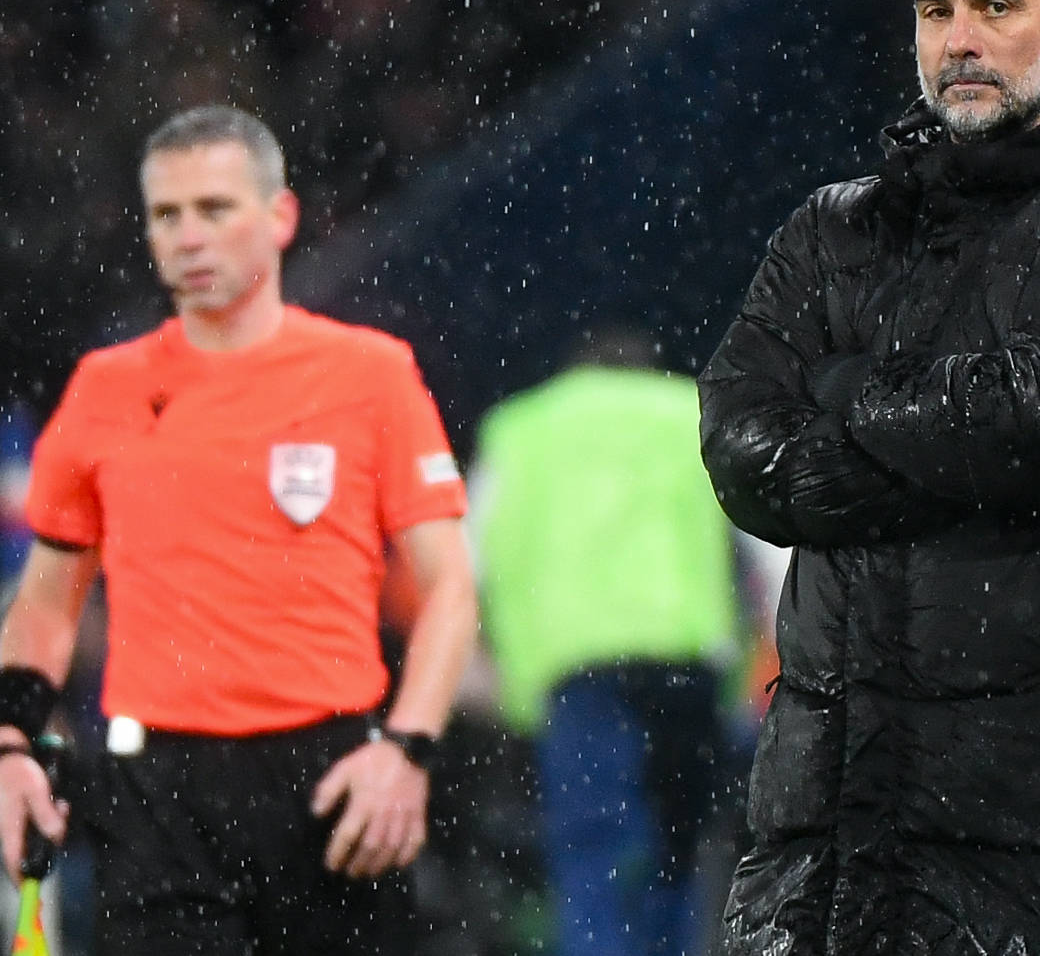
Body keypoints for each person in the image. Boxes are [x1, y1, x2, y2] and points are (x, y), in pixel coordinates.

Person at [698, 0, 1040, 955]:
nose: (960, 40)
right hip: (831, 842)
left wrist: (841, 397)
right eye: (935, 11)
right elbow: (743, 454)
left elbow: (1029, 426)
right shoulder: (830, 229)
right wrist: (947, 436)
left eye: (995, 5)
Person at [0, 105, 478, 954]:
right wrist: (9, 751)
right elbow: (44, 607)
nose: (189, 236)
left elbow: (449, 589)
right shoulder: (104, 389)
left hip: (332, 782)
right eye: (166, 214)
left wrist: (406, 753)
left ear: (280, 216)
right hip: (153, 798)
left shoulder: (369, 374)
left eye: (215, 208)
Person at [470, 324, 743, 956]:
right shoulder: (691, 413)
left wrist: (480, 666)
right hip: (687, 659)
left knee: (591, 847)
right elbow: (765, 544)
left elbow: (464, 560)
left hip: (578, 666)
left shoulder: (522, 428)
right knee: (682, 845)